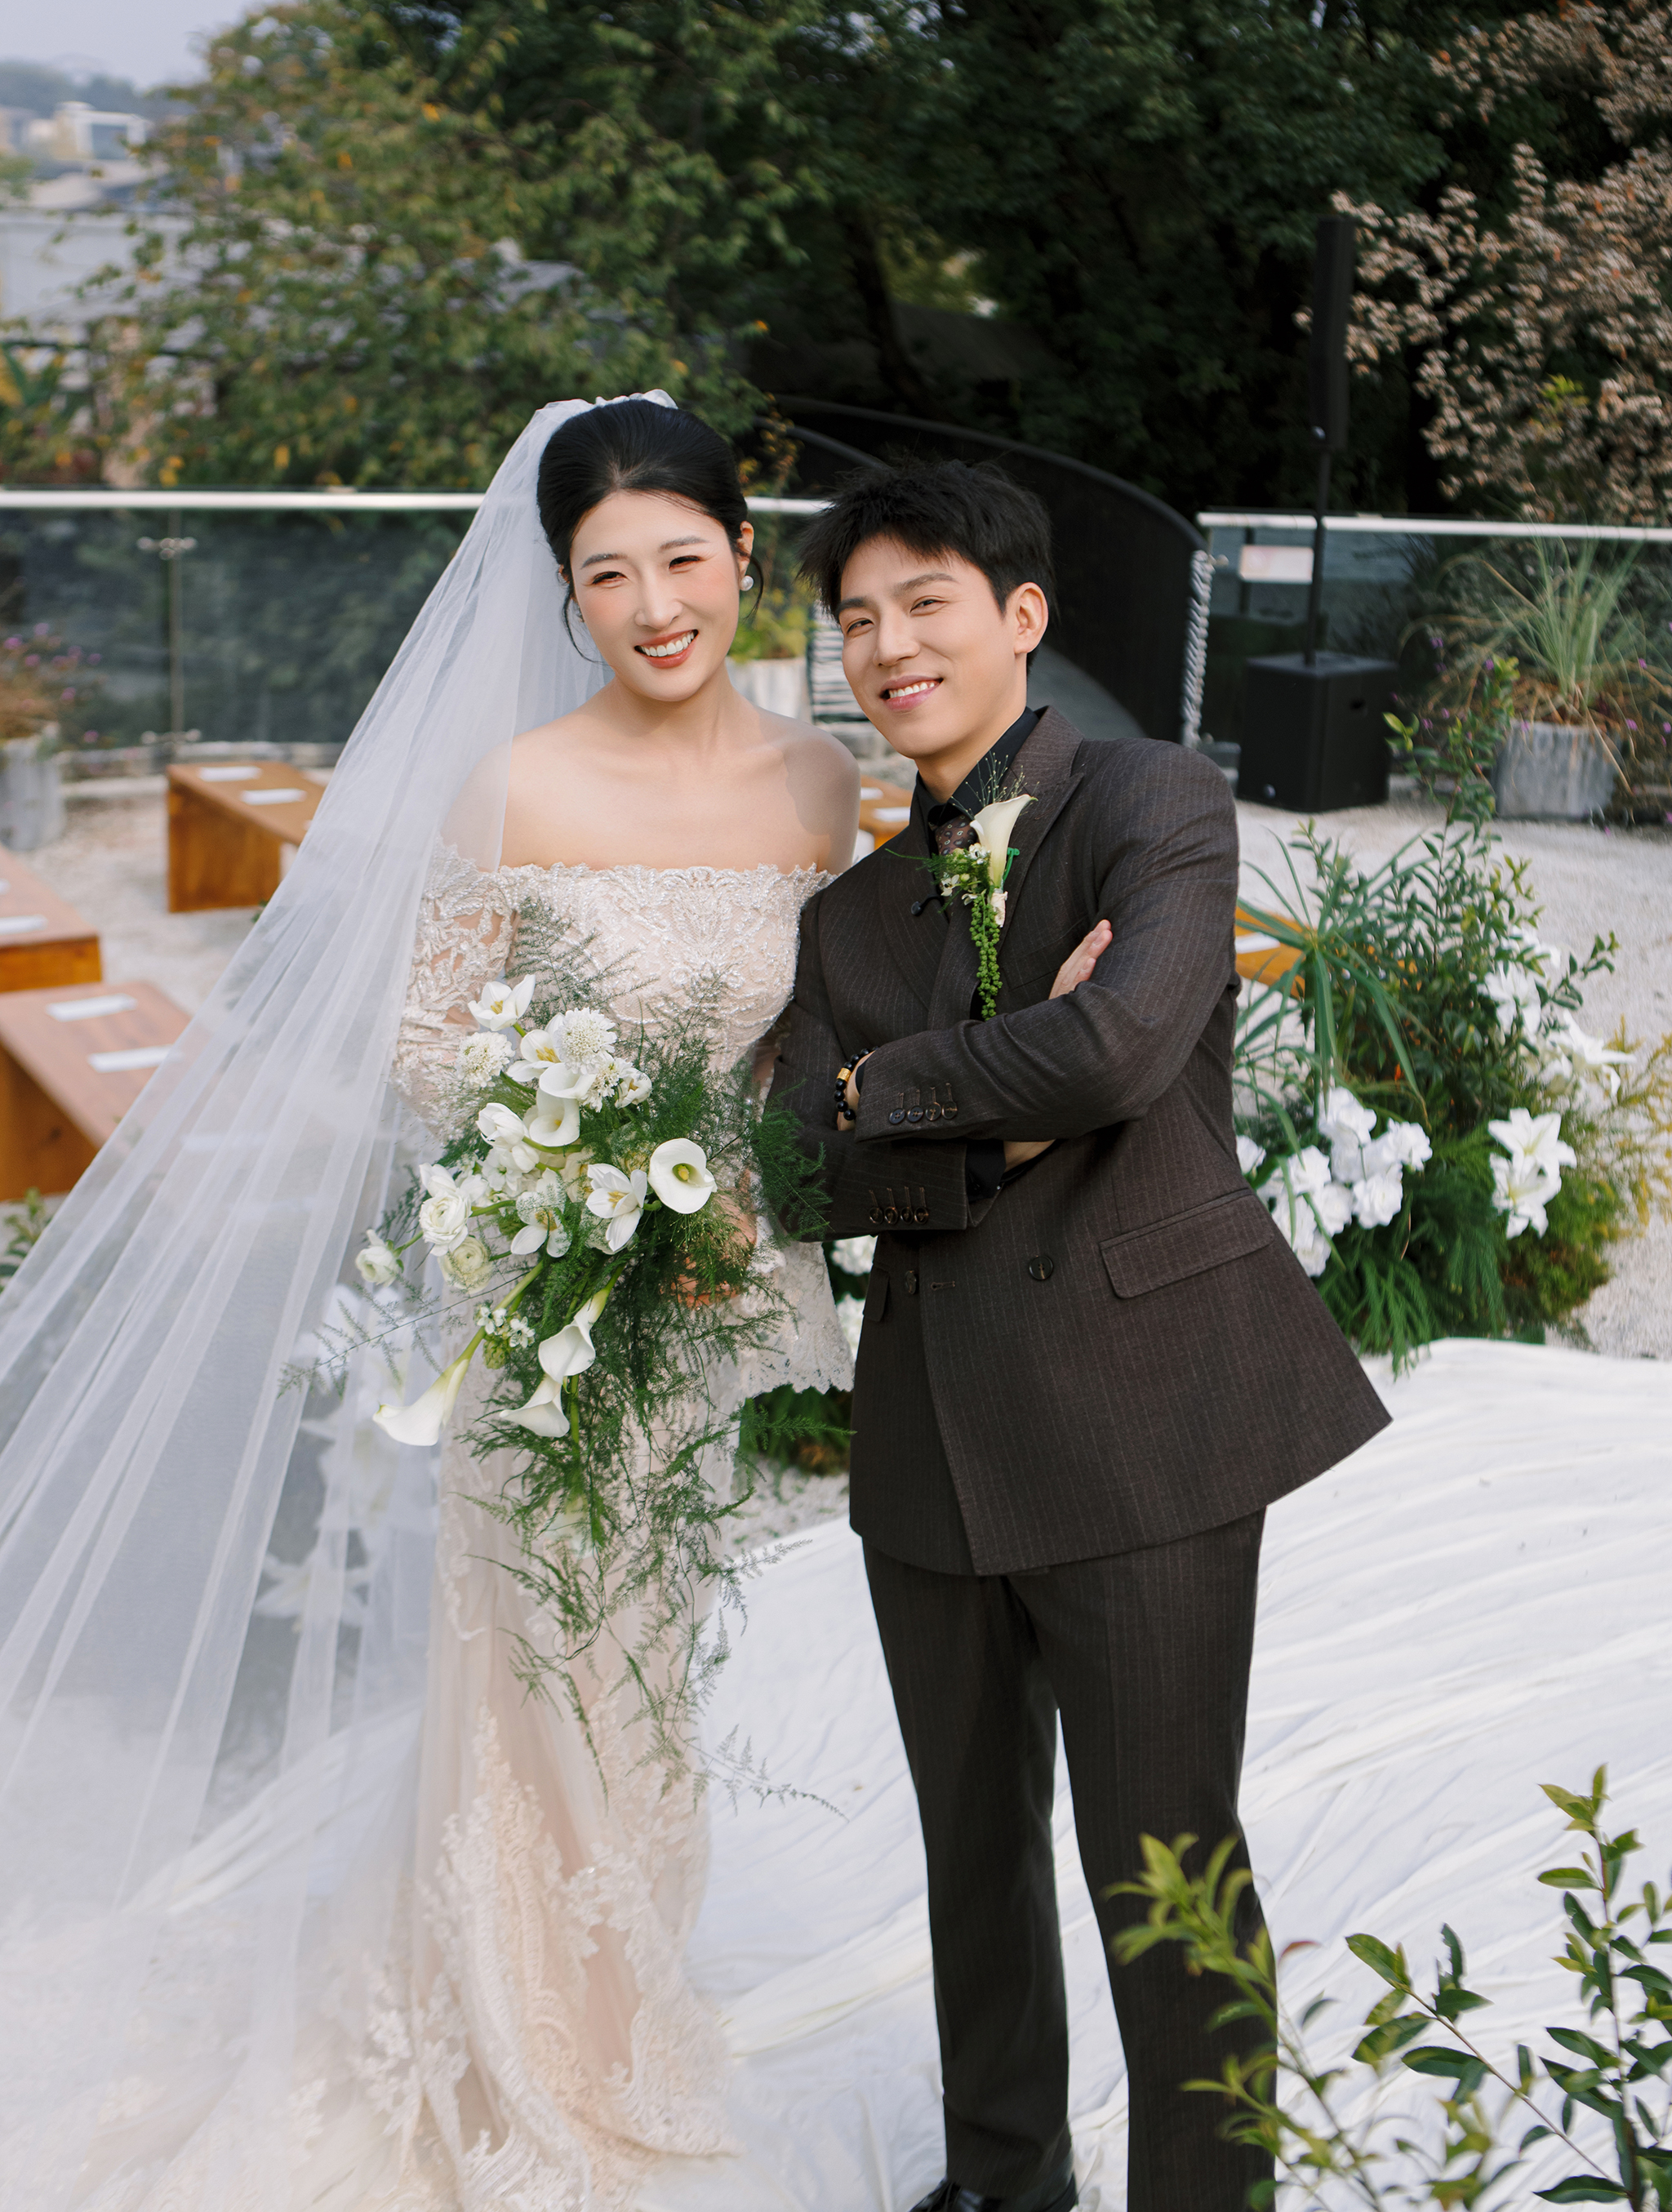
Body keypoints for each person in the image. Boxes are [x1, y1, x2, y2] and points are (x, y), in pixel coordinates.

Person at [0, 395, 852, 2210]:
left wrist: (747, 1184)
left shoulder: (814, 784)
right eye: (606, 575)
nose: (653, 606)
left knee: (659, 1660)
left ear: (743, 553)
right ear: (565, 593)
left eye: (681, 559)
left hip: (723, 1295)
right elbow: (427, 1045)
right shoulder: (515, 786)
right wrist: (599, 1169)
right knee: (540, 1659)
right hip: (553, 1301)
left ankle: (626, 1977)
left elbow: (816, 1038)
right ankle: (524, 2032)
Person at [770, 458, 1391, 2212]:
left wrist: (889, 1087)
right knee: (970, 1857)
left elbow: (1118, 1047)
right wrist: (996, 1118)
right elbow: (803, 1175)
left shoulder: (1150, 798)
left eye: (926, 603)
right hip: (932, 1440)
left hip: (1143, 1422)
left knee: (1166, 1868)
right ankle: (1002, 2178)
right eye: (857, 620)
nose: (889, 648)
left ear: (1021, 615)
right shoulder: (845, 917)